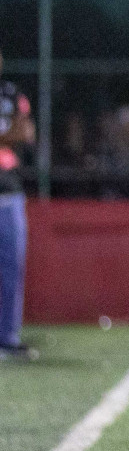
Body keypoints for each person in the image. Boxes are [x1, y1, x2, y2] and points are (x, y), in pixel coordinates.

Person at [0, 47, 37, 361]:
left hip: (8, 192)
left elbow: (26, 132)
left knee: (12, 267)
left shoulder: (12, 94)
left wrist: (10, 133)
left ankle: (7, 337)